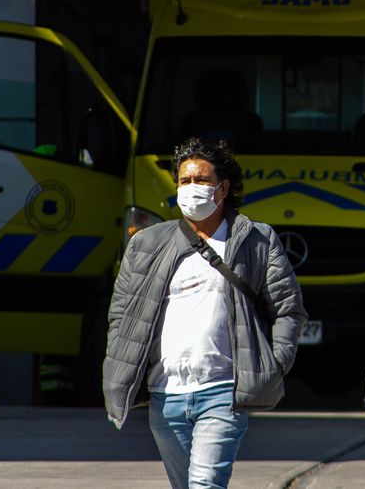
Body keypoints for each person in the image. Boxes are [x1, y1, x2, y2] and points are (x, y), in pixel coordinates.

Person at [103, 137, 307, 488]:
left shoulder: (256, 240)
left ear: (223, 188)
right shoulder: (148, 244)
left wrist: (273, 364)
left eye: (201, 180)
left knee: (205, 485)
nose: (191, 189)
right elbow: (121, 313)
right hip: (166, 396)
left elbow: (289, 310)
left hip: (223, 393)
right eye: (184, 181)